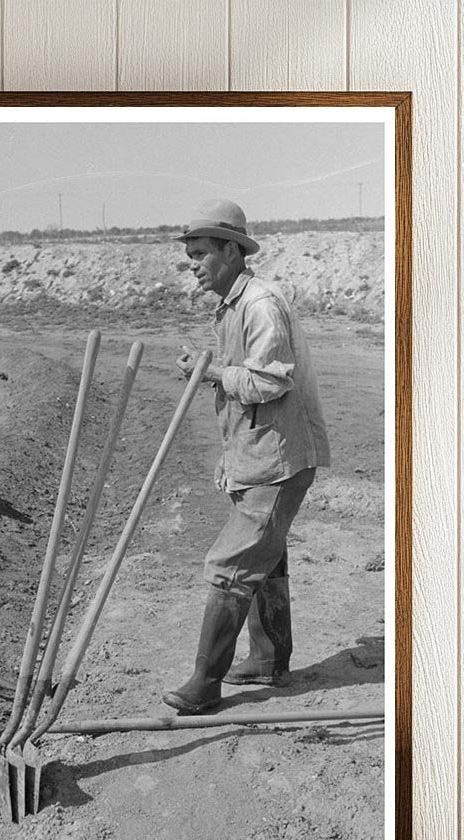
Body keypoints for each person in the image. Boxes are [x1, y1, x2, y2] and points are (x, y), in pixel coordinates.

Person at [163, 199, 330, 713]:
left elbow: (270, 381)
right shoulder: (232, 306)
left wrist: (211, 371)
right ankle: (267, 658)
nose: (193, 265)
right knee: (265, 555)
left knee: (230, 564)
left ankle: (204, 684)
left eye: (200, 254)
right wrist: (230, 455)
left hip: (279, 459)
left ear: (232, 251)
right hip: (259, 453)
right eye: (189, 256)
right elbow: (247, 386)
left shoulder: (259, 304)